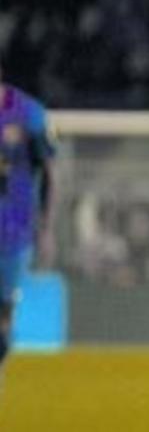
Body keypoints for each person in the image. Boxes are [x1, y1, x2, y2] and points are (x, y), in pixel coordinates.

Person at [0, 64, 56, 370]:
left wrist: (46, 228)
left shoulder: (27, 113)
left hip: (12, 232)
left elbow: (49, 173)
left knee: (4, 314)